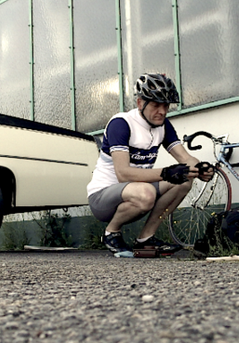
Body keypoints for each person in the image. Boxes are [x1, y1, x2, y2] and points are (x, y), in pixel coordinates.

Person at [86, 73, 214, 257]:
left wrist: (200, 168)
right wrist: (166, 173)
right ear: (140, 103)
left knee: (184, 181)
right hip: (103, 197)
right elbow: (123, 174)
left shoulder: (163, 125)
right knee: (147, 193)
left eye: (165, 106)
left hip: (137, 191)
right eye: (155, 105)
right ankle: (111, 233)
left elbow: (184, 157)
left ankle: (146, 238)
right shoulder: (121, 124)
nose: (162, 111)